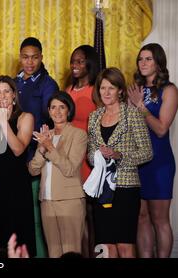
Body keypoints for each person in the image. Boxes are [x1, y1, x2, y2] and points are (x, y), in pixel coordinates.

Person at [87, 67, 152, 258]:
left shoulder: (132, 114)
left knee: (124, 246)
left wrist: (118, 155)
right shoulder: (94, 117)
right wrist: (97, 157)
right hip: (102, 190)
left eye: (111, 88)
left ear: (120, 90)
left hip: (126, 188)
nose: (106, 92)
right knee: (105, 247)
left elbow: (147, 152)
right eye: (103, 88)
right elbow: (90, 153)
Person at [127, 43, 178, 258]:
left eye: (148, 59)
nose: (143, 63)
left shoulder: (169, 90)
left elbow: (160, 129)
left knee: (159, 219)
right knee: (141, 217)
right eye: (140, 59)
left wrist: (140, 107)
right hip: (137, 161)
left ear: (158, 62)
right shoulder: (135, 89)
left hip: (159, 163)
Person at [0, 76, 36, 257]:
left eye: (6, 91)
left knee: (16, 234)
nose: (2, 96)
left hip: (17, 183)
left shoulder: (25, 117)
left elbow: (18, 149)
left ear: (14, 95)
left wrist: (4, 122)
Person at [28, 92, 88, 257]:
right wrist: (41, 148)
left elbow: (69, 169)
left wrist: (50, 147)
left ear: (69, 111)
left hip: (69, 201)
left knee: (71, 252)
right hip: (47, 201)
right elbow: (33, 169)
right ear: (48, 111)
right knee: (53, 253)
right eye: (53, 107)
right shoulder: (47, 136)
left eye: (62, 107)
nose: (57, 111)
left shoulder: (79, 135)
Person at [15, 37, 59, 257]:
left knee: (36, 213)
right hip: (15, 153)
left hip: (35, 156)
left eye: (34, 57)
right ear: (20, 57)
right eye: (25, 57)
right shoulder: (16, 81)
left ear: (41, 57)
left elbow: (52, 120)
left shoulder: (47, 84)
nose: (30, 62)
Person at [65, 45, 100, 258]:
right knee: (77, 219)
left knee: (90, 215)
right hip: (70, 160)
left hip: (89, 160)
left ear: (90, 63)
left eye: (80, 61)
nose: (75, 66)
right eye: (73, 61)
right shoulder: (68, 90)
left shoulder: (96, 90)